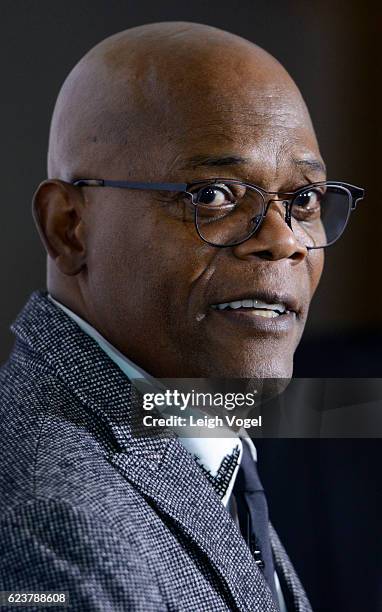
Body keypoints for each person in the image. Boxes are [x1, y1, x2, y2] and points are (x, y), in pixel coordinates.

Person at [0, 22, 364, 611]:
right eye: (213, 194)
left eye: (304, 200)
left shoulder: (199, 429)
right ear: (68, 228)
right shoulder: (48, 527)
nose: (284, 241)